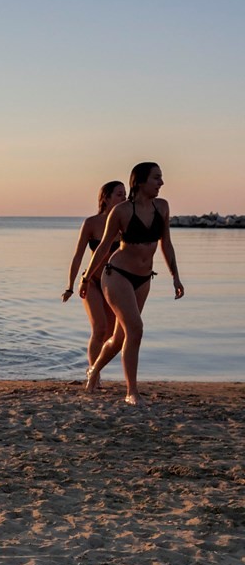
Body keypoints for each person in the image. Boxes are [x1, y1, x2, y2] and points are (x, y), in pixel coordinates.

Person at [85, 163, 186, 405]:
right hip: (117, 274)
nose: (161, 183)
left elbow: (166, 244)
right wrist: (86, 277)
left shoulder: (162, 207)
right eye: (156, 178)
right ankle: (132, 392)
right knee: (136, 329)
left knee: (120, 338)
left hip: (143, 278)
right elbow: (102, 247)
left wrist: (175, 276)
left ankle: (93, 370)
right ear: (140, 181)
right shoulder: (121, 211)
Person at [64, 180, 126, 384]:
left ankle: (96, 367)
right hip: (91, 281)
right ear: (105, 198)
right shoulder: (91, 223)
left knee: (112, 334)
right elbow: (77, 256)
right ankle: (95, 376)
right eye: (119, 194)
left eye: (125, 194)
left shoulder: (125, 223)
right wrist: (70, 286)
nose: (124, 198)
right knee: (99, 329)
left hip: (114, 284)